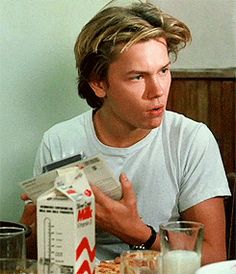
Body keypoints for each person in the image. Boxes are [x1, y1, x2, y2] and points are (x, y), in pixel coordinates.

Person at [20, 0, 231, 265]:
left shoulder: (191, 140)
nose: (158, 90)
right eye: (137, 77)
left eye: (163, 71)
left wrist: (136, 232)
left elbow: (215, 260)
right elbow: (38, 256)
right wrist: (32, 229)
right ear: (98, 83)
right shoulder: (60, 140)